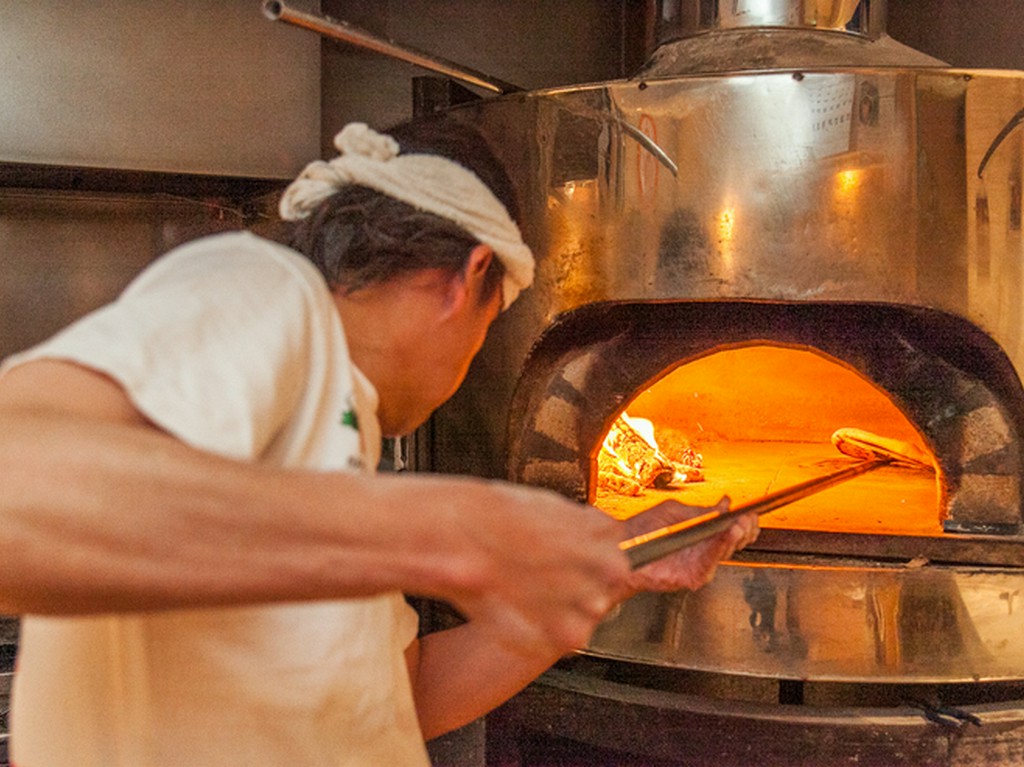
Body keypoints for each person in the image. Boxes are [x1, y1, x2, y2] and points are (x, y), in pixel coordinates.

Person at [0, 117, 758, 766]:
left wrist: (604, 568)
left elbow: (399, 698)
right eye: (487, 331)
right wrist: (450, 532)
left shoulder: (333, 432)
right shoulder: (265, 290)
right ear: (470, 276)